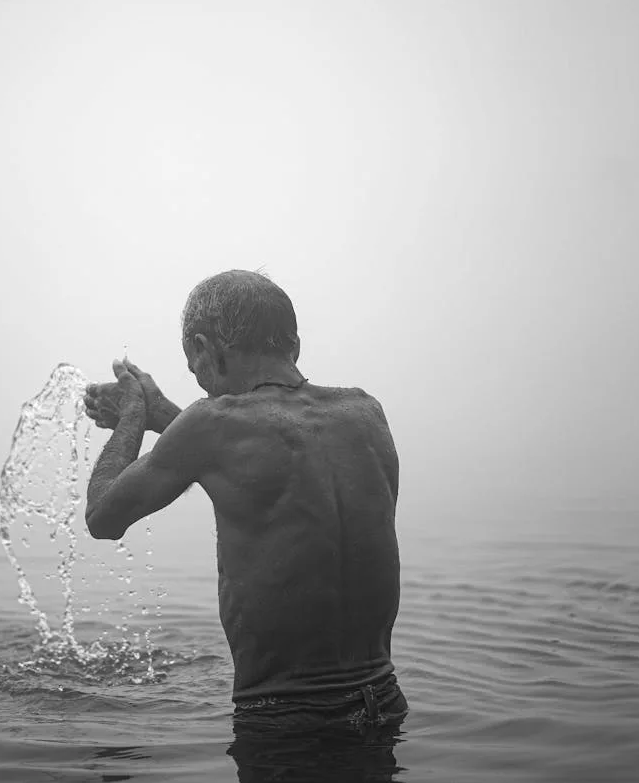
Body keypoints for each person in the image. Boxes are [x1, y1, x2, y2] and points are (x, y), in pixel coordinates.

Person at [82, 269, 407, 733]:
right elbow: (259, 458)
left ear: (203, 348)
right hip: (382, 703)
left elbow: (103, 516)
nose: (203, 388)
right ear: (293, 345)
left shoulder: (212, 425)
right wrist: (167, 418)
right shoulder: (365, 414)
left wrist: (133, 414)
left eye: (196, 371)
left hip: (285, 718)